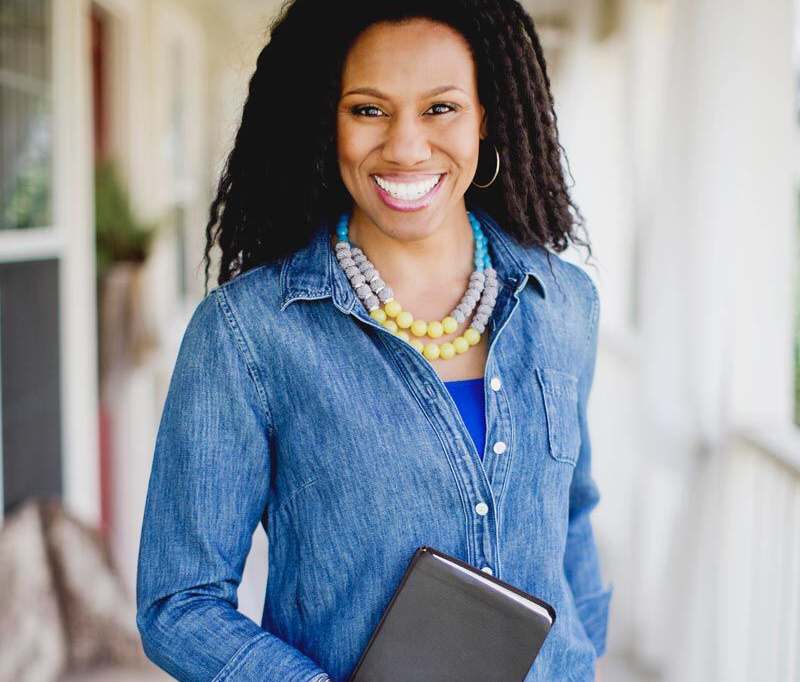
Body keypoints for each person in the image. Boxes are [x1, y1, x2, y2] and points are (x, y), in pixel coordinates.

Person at [136, 1, 613, 680]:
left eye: (441, 108)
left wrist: (582, 657)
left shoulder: (564, 302)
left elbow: (571, 519)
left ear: (487, 115)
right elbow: (178, 604)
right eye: (368, 110)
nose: (407, 146)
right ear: (324, 122)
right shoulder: (248, 335)